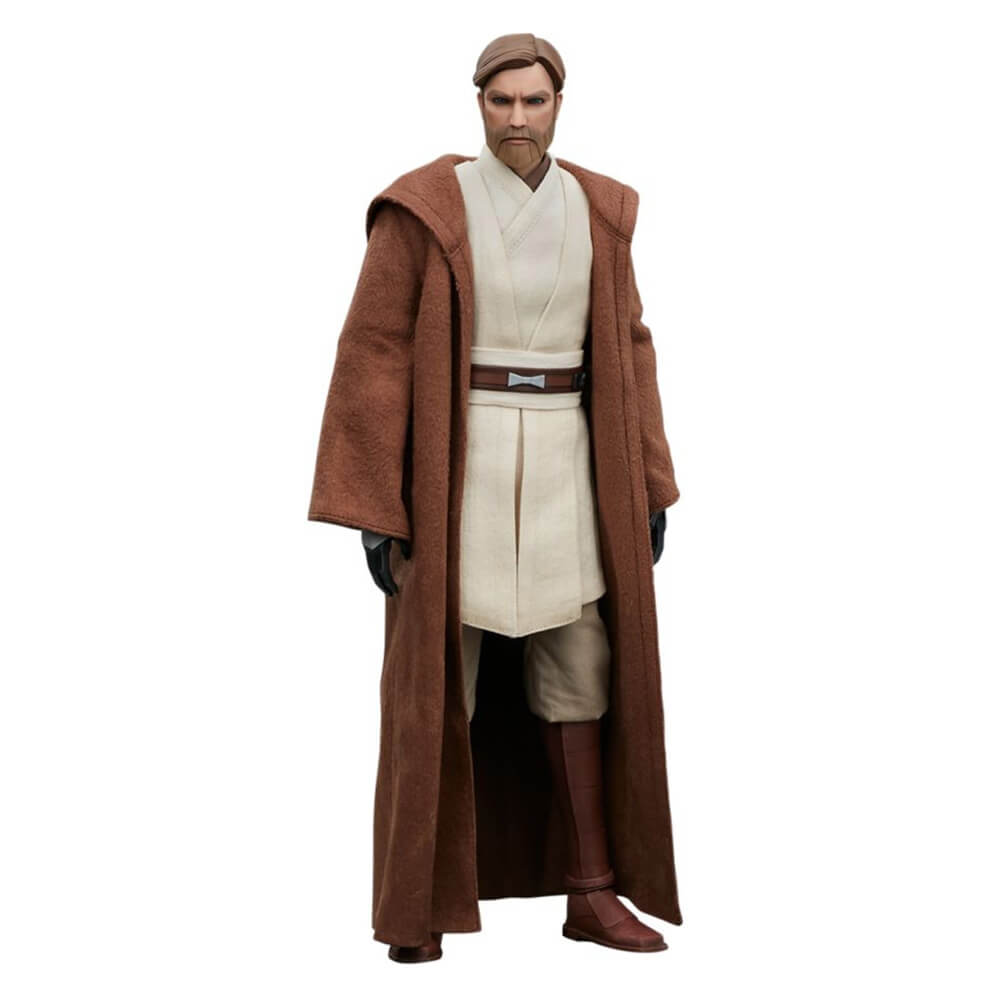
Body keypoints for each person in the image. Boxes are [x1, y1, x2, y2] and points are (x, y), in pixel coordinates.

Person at [309, 33, 682, 962]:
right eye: (501, 101)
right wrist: (376, 507)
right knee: (441, 682)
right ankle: (420, 904)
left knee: (581, 666)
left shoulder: (600, 212)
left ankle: (591, 893)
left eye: (534, 101)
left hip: (567, 463)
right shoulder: (426, 208)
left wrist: (647, 481)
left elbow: (629, 345)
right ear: (478, 103)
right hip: (458, 466)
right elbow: (374, 350)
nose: (518, 118)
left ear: (558, 105)